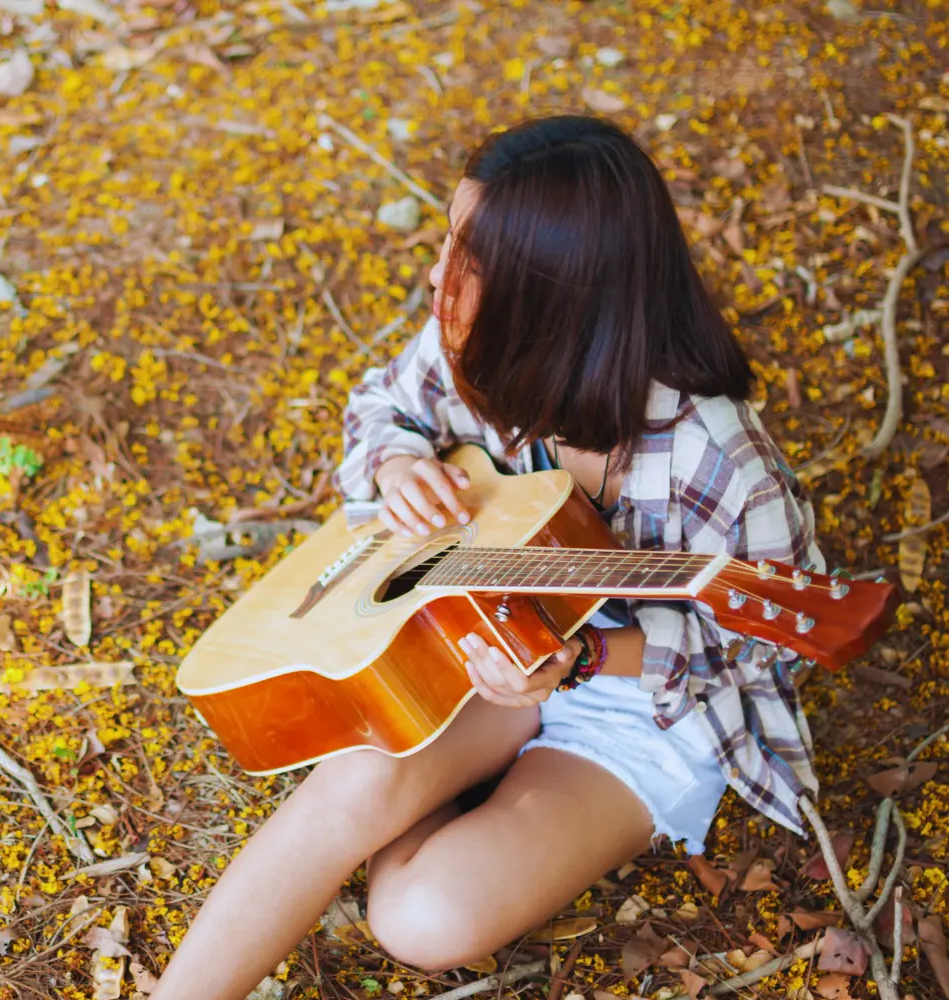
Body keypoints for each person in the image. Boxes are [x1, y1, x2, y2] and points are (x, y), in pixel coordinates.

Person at [152, 115, 823, 1000]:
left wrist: (584, 656)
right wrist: (398, 466)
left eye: (468, 261)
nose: (437, 276)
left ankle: (453, 790)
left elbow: (779, 640)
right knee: (345, 792)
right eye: (448, 241)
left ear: (556, 304)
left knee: (418, 917)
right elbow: (381, 407)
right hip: (483, 638)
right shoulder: (474, 347)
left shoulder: (719, 459)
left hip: (646, 706)